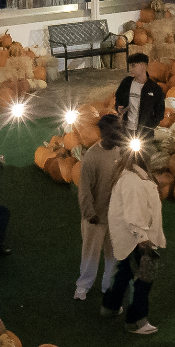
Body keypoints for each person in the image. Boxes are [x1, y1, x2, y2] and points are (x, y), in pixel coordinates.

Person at [101, 156, 165, 335]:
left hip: (128, 239)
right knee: (144, 279)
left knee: (124, 271)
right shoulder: (132, 181)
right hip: (136, 240)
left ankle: (110, 306)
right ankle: (136, 320)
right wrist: (144, 241)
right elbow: (134, 217)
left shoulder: (133, 176)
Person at [73, 115, 127, 299]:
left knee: (113, 253)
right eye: (115, 132)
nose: (119, 135)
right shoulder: (91, 157)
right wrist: (90, 213)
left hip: (115, 214)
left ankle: (108, 286)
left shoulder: (121, 151)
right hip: (95, 216)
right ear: (103, 133)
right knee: (90, 252)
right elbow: (85, 189)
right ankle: (83, 286)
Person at [113, 53, 165, 137]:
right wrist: (118, 107)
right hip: (126, 130)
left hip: (144, 134)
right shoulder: (126, 83)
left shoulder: (155, 89)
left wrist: (150, 126)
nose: (130, 69)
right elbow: (118, 97)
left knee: (144, 150)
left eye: (133, 66)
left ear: (143, 66)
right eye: (129, 66)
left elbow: (160, 111)